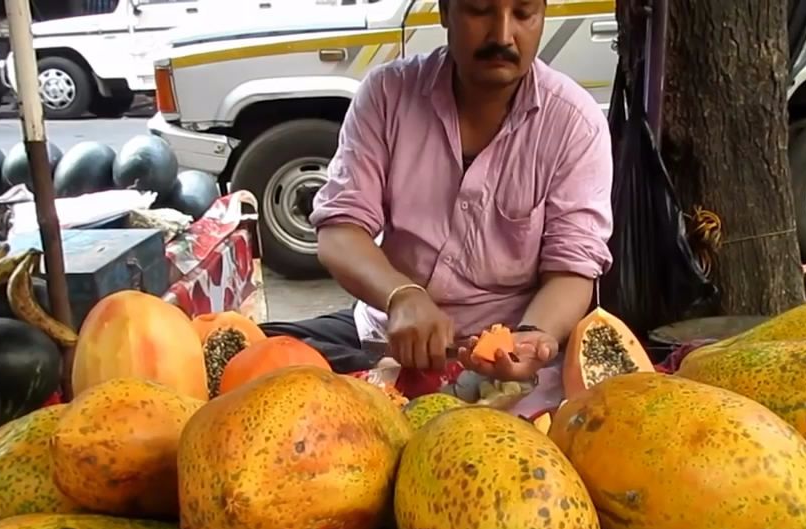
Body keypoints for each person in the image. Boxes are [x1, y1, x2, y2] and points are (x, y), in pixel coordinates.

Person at [260, 0, 613, 411]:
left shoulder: (575, 123)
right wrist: (402, 296)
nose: (502, 35)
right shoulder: (387, 95)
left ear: (543, 16)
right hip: (383, 340)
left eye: (523, 13)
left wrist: (532, 338)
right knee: (258, 362)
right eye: (480, 10)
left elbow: (572, 270)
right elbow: (340, 230)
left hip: (509, 370)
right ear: (446, 11)